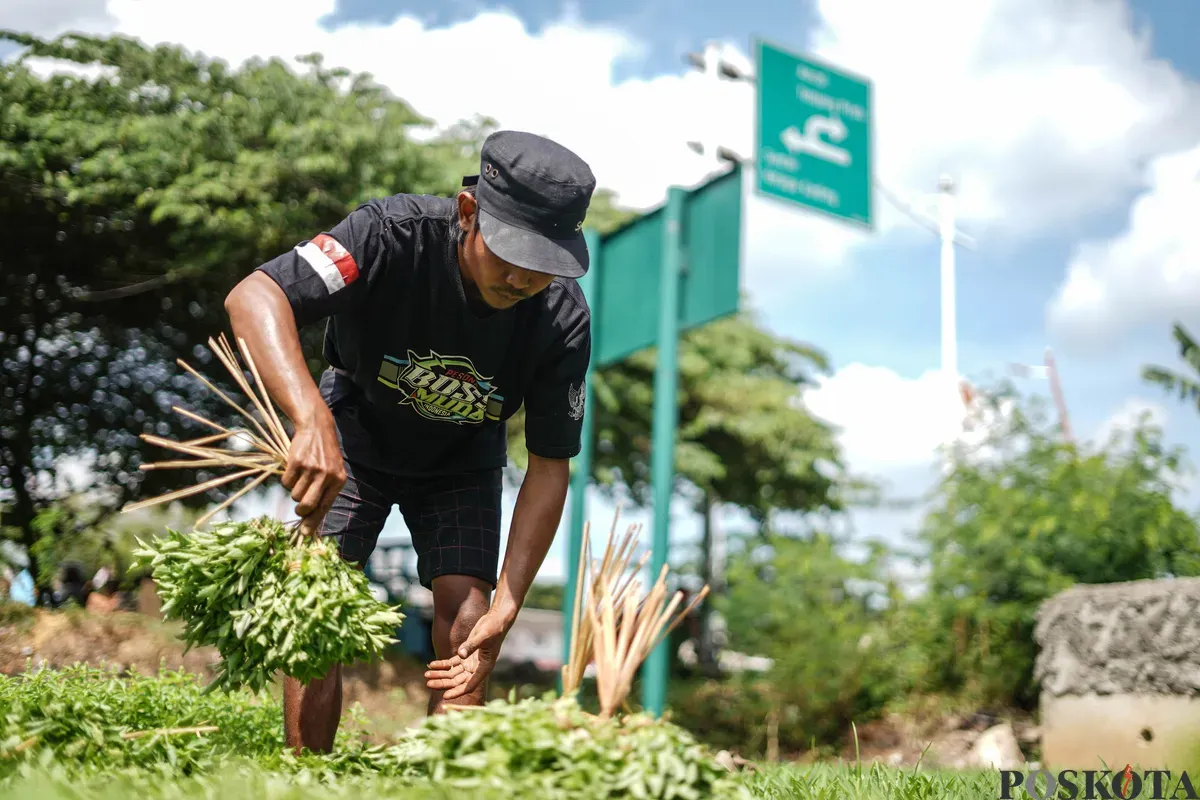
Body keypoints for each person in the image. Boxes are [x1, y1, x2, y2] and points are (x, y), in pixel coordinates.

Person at [225, 130, 594, 754]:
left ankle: (445, 784)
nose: (522, 277)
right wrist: (310, 418)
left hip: (463, 460)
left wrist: (510, 601)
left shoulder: (561, 318)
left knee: (471, 619)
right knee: (318, 600)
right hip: (353, 431)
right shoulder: (388, 234)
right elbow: (256, 294)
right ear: (469, 213)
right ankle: (308, 778)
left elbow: (550, 466)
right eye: (509, 252)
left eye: (544, 262)